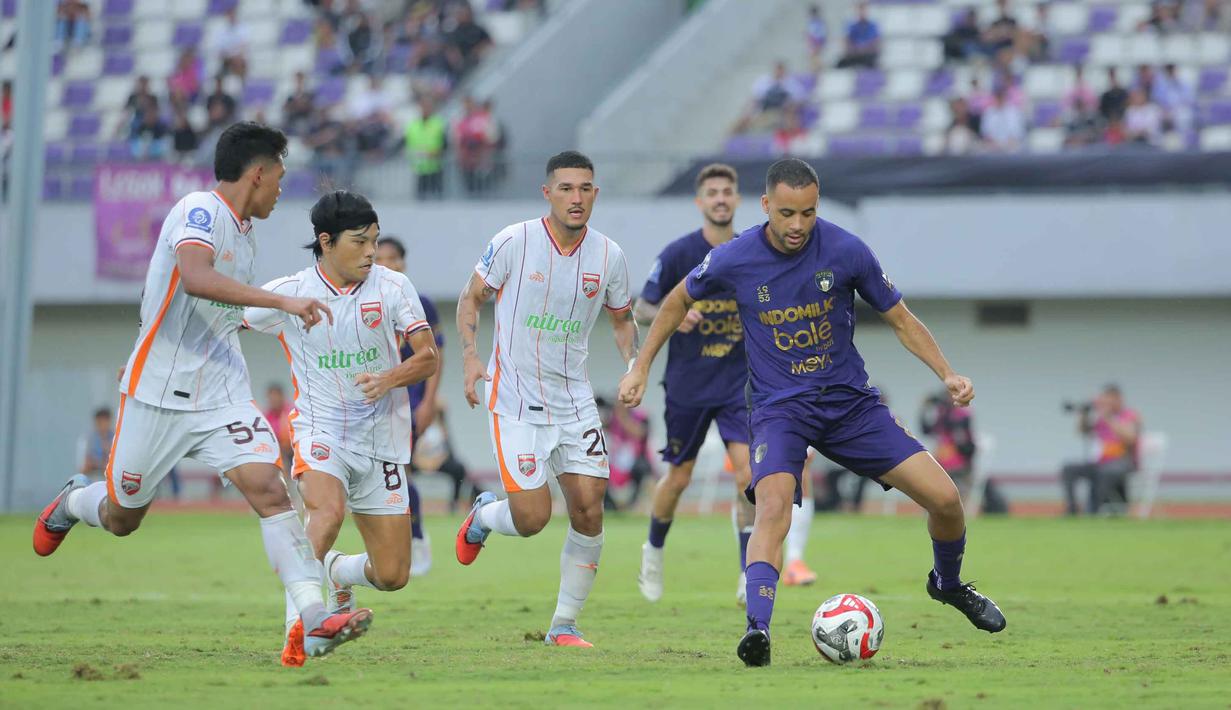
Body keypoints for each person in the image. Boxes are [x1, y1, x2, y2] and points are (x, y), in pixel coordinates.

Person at [618, 158, 1006, 667]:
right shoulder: (734, 257)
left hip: (851, 408)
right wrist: (641, 367)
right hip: (780, 410)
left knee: (947, 500)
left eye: (807, 212)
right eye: (786, 213)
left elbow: (901, 319)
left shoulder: (846, 249)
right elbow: (672, 301)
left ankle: (948, 585)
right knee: (772, 507)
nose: (798, 225)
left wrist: (947, 374)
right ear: (764, 207)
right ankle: (757, 629)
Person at [32, 122, 371, 663]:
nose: (281, 190)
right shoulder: (199, 210)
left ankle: (314, 617)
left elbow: (217, 311)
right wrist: (283, 303)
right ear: (256, 173)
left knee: (270, 488)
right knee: (123, 517)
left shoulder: (244, 232)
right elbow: (194, 276)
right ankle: (75, 501)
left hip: (221, 392)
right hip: (157, 392)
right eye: (279, 178)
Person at [244, 190, 437, 667]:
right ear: (326, 242)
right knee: (326, 514)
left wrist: (390, 377)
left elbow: (428, 356)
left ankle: (337, 571)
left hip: (382, 440)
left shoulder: (392, 287)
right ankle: (300, 631)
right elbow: (228, 321)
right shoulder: (289, 294)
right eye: (361, 242)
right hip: (319, 430)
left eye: (374, 240)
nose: (372, 251)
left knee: (393, 575)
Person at [455, 151, 636, 648]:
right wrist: (471, 358)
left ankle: (563, 624)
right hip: (514, 399)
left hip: (573, 400)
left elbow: (622, 321)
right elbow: (471, 297)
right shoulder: (515, 241)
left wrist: (634, 365)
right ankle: (484, 516)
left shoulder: (609, 257)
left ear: (595, 194)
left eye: (585, 189)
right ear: (548, 193)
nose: (576, 198)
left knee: (589, 510)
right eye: (566, 189)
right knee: (532, 519)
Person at [634, 163, 811, 605]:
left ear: (737, 200)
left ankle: (745, 571)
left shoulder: (752, 250)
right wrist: (673, 316)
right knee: (678, 477)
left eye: (726, 191)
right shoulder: (678, 254)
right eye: (711, 192)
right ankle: (653, 551)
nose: (719, 198)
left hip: (741, 386)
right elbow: (641, 307)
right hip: (688, 385)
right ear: (700, 202)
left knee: (748, 477)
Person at [374, 235, 445, 576]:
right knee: (383, 473)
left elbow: (435, 354)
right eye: (381, 258)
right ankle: (399, 539)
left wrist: (430, 401)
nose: (387, 264)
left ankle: (415, 537)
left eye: (393, 258)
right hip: (375, 398)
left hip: (410, 399)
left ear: (403, 262)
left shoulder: (420, 303)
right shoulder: (366, 299)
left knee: (400, 470)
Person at [1060, 384, 1142, 515]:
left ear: (1118, 399)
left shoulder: (1129, 415)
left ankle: (1092, 511)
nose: (1106, 403)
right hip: (1100, 462)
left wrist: (1109, 417)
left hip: (1123, 461)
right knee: (1068, 469)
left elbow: (1130, 438)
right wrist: (1083, 415)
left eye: (1110, 399)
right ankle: (1072, 509)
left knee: (1104, 472)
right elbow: (1082, 431)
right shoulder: (1099, 417)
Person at [404, 96, 447, 199]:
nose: (425, 109)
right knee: (421, 199)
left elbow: (445, 144)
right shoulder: (413, 125)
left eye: (427, 107)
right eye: (423, 107)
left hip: (436, 166)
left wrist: (437, 153)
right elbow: (405, 142)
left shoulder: (438, 124)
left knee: (437, 198)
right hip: (419, 168)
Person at [837, 2, 880, 69]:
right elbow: (847, 41)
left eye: (863, 10)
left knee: (872, 63)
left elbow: (875, 42)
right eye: (860, 10)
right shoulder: (851, 26)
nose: (861, 13)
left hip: (868, 54)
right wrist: (855, 49)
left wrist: (864, 49)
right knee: (840, 64)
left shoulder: (872, 25)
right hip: (855, 54)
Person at [78, 407, 114, 479]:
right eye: (99, 422)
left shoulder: (115, 438)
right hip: (94, 478)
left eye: (104, 421)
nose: (102, 425)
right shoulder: (89, 439)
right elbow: (85, 466)